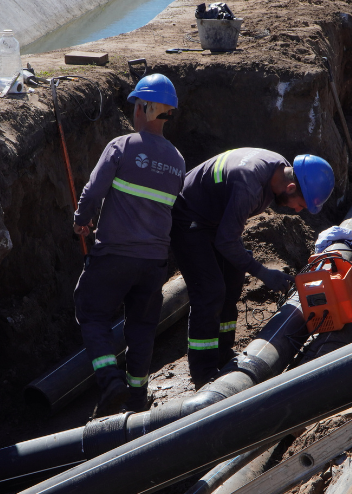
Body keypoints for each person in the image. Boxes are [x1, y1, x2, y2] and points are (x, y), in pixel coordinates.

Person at [171, 149, 335, 387]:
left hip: (214, 217)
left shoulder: (277, 167)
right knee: (210, 291)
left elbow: (229, 233)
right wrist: (263, 272)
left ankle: (223, 353)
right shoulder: (250, 185)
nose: (298, 211)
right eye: (300, 205)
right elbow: (226, 240)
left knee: (234, 277)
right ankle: (203, 372)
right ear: (290, 188)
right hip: (189, 217)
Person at [72, 73, 186, 416]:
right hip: (153, 263)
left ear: (147, 109)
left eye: (137, 105)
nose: (134, 111)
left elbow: (93, 193)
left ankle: (110, 381)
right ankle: (137, 397)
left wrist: (81, 220)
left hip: (114, 256)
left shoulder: (121, 147)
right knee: (141, 328)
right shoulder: (178, 161)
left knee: (91, 313)